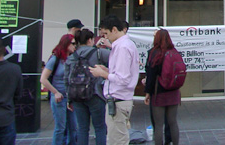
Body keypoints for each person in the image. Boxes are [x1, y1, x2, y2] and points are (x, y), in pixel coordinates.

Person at [89, 15, 140, 145]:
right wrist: (106, 71)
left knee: (117, 140)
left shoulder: (122, 47)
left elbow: (123, 79)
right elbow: (122, 74)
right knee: (116, 138)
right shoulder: (123, 45)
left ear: (114, 30)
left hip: (119, 100)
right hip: (119, 99)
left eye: (105, 33)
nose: (105, 37)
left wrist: (103, 74)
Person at [65, 29, 110, 145]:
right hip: (95, 94)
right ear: (90, 40)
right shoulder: (99, 53)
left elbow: (67, 79)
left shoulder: (71, 57)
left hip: (77, 95)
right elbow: (117, 57)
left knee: (82, 128)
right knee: (100, 127)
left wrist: (69, 99)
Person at [144, 29, 181, 145]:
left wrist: (147, 92)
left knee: (158, 125)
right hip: (174, 92)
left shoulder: (154, 53)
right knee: (173, 122)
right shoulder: (174, 52)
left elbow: (150, 75)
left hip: (158, 92)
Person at [41, 34, 78, 145]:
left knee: (73, 127)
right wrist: (55, 92)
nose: (74, 46)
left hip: (69, 96)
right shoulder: (55, 59)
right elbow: (43, 79)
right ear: (66, 43)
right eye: (72, 43)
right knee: (60, 127)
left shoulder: (71, 58)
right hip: (59, 97)